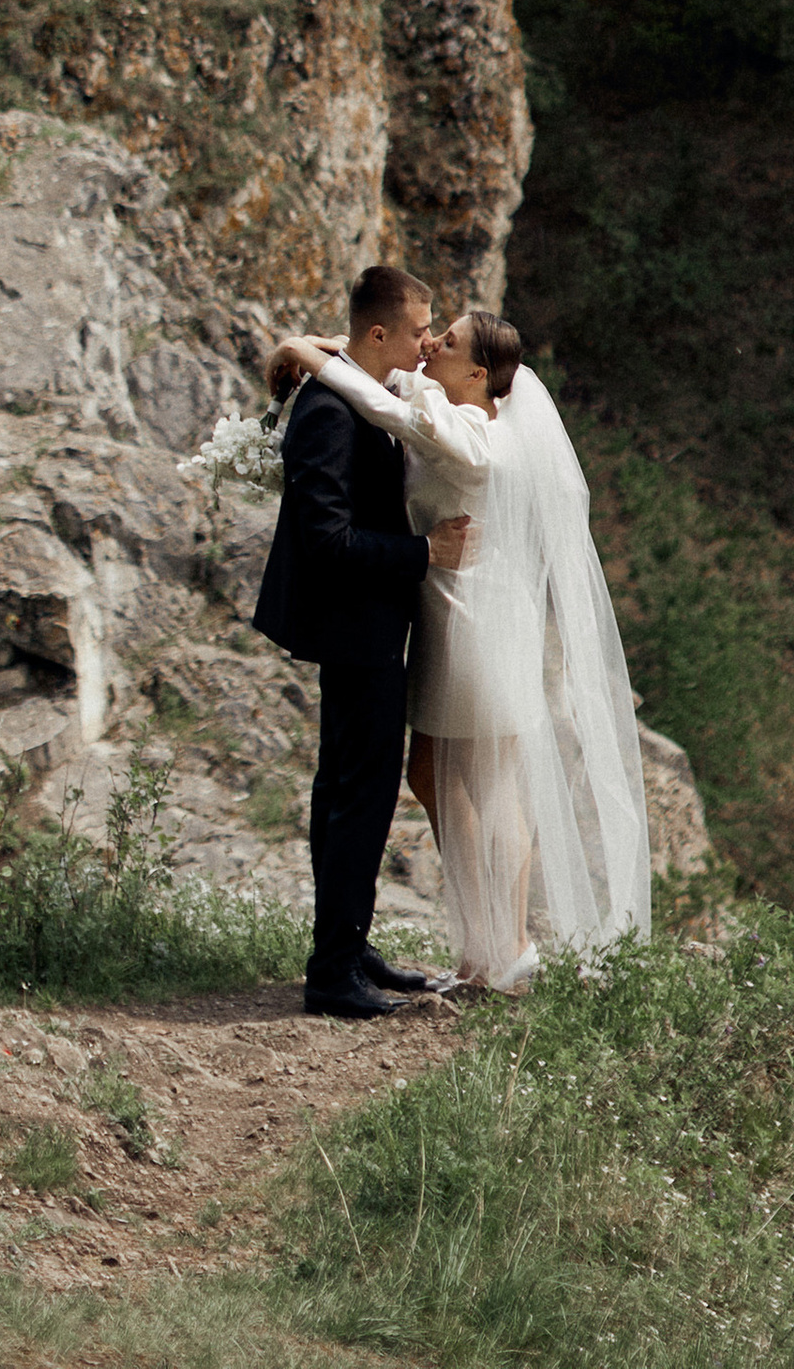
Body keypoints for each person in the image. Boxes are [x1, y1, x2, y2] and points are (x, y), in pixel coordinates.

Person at [266, 304, 652, 986]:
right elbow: (386, 376)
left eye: (446, 342)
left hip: (470, 623)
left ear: (476, 372)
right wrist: (338, 346)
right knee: (477, 779)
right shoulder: (465, 408)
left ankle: (497, 945)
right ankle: (498, 944)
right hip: (480, 612)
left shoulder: (470, 434)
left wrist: (303, 347)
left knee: (477, 783)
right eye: (432, 334)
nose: (431, 346)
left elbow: (372, 398)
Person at [253, 259, 470, 1021]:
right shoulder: (328, 413)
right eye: (416, 331)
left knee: (353, 792)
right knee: (359, 796)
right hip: (354, 630)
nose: (427, 343)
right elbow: (326, 542)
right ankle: (333, 971)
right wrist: (424, 554)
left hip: (370, 629)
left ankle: (349, 944)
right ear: (378, 333)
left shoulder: (362, 396)